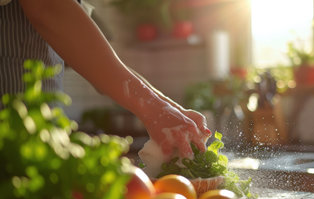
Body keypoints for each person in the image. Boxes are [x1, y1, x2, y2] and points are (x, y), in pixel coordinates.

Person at [0, 0, 211, 159]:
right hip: (10, 129)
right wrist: (155, 108)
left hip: (40, 135)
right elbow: (47, 7)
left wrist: (168, 108)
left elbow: (94, 59)